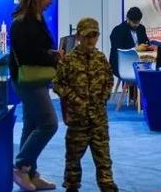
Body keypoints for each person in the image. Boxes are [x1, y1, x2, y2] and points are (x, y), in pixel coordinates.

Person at [53, 18, 117, 192]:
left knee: (104, 160)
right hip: (77, 120)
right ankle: (72, 187)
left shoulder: (101, 58)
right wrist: (73, 98)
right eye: (87, 36)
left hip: (98, 120)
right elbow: (58, 83)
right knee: (73, 162)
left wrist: (104, 96)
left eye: (94, 35)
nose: (91, 40)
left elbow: (109, 79)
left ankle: (107, 186)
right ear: (78, 37)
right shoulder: (69, 60)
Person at [10, 0, 61, 192]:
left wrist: (51, 54)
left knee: (31, 125)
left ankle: (29, 173)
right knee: (49, 124)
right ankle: (20, 167)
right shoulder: (23, 22)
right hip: (27, 79)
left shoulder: (36, 18)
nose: (51, 2)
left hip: (36, 79)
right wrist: (53, 57)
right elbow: (28, 55)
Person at [109, 6, 150, 77]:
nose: (136, 25)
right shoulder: (118, 30)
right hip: (122, 64)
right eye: (134, 22)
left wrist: (146, 46)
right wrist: (136, 49)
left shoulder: (141, 28)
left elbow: (146, 43)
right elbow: (118, 52)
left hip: (139, 62)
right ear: (127, 19)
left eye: (138, 22)